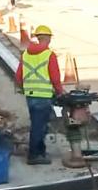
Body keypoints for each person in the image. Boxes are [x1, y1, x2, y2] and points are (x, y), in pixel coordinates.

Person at [15, 24, 63, 165]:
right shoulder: (49, 55)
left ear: (37, 37)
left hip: (30, 95)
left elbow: (18, 77)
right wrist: (60, 92)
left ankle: (40, 152)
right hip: (44, 96)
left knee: (37, 124)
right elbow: (55, 77)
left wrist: (25, 88)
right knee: (39, 126)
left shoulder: (25, 54)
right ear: (47, 38)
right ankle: (34, 155)